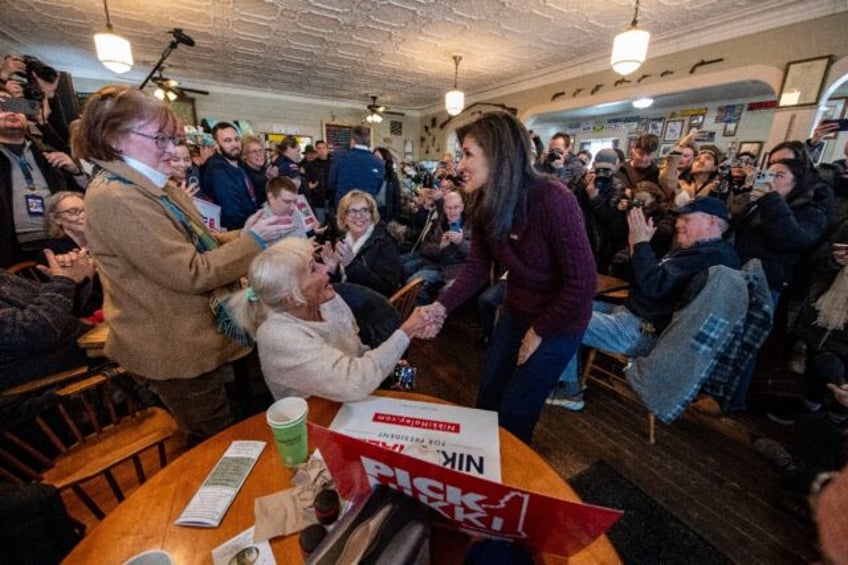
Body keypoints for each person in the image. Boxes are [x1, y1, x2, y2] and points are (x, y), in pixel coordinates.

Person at [73, 85, 286, 444]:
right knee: (214, 439)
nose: (174, 150)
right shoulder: (117, 197)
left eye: (174, 138)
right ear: (114, 139)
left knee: (243, 418)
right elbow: (192, 271)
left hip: (207, 334)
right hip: (175, 348)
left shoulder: (155, 185)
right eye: (160, 138)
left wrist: (245, 234)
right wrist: (256, 243)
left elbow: (202, 240)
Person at [422, 111, 597, 444]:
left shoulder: (553, 199)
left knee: (516, 412)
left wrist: (539, 331)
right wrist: (440, 307)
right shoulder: (485, 201)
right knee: (488, 397)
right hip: (517, 311)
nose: (459, 165)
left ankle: (507, 485)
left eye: (468, 154)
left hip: (560, 323)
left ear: (498, 155)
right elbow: (476, 268)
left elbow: (583, 284)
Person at [550, 197, 741, 410]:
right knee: (562, 304)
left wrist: (641, 245)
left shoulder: (713, 257)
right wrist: (637, 246)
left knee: (560, 318)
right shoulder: (697, 251)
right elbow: (641, 281)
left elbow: (654, 286)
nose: (678, 224)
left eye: (687, 219)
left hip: (641, 331)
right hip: (630, 314)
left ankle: (569, 391)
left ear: (712, 222)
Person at [227, 238, 433, 402]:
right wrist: (405, 332)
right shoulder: (278, 335)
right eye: (312, 269)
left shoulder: (329, 302)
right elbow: (353, 382)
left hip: (352, 405)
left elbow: (358, 351)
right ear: (293, 297)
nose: (326, 269)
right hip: (319, 425)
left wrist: (397, 369)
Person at [0, 248, 96, 390]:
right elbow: (38, 331)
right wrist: (63, 283)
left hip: (86, 360)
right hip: (60, 389)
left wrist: (75, 281)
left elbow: (56, 313)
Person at [322, 190, 402, 297]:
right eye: (352, 211)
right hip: (345, 298)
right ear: (343, 218)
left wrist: (352, 264)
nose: (359, 216)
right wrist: (332, 270)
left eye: (365, 210)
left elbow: (386, 289)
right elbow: (340, 283)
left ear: (372, 215)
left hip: (369, 307)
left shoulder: (384, 243)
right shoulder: (342, 241)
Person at [373, 146, 402, 223]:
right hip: (372, 212)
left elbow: (397, 198)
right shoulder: (370, 175)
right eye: (374, 158)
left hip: (386, 213)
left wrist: (395, 217)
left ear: (385, 160)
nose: (375, 160)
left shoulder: (392, 177)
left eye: (378, 158)